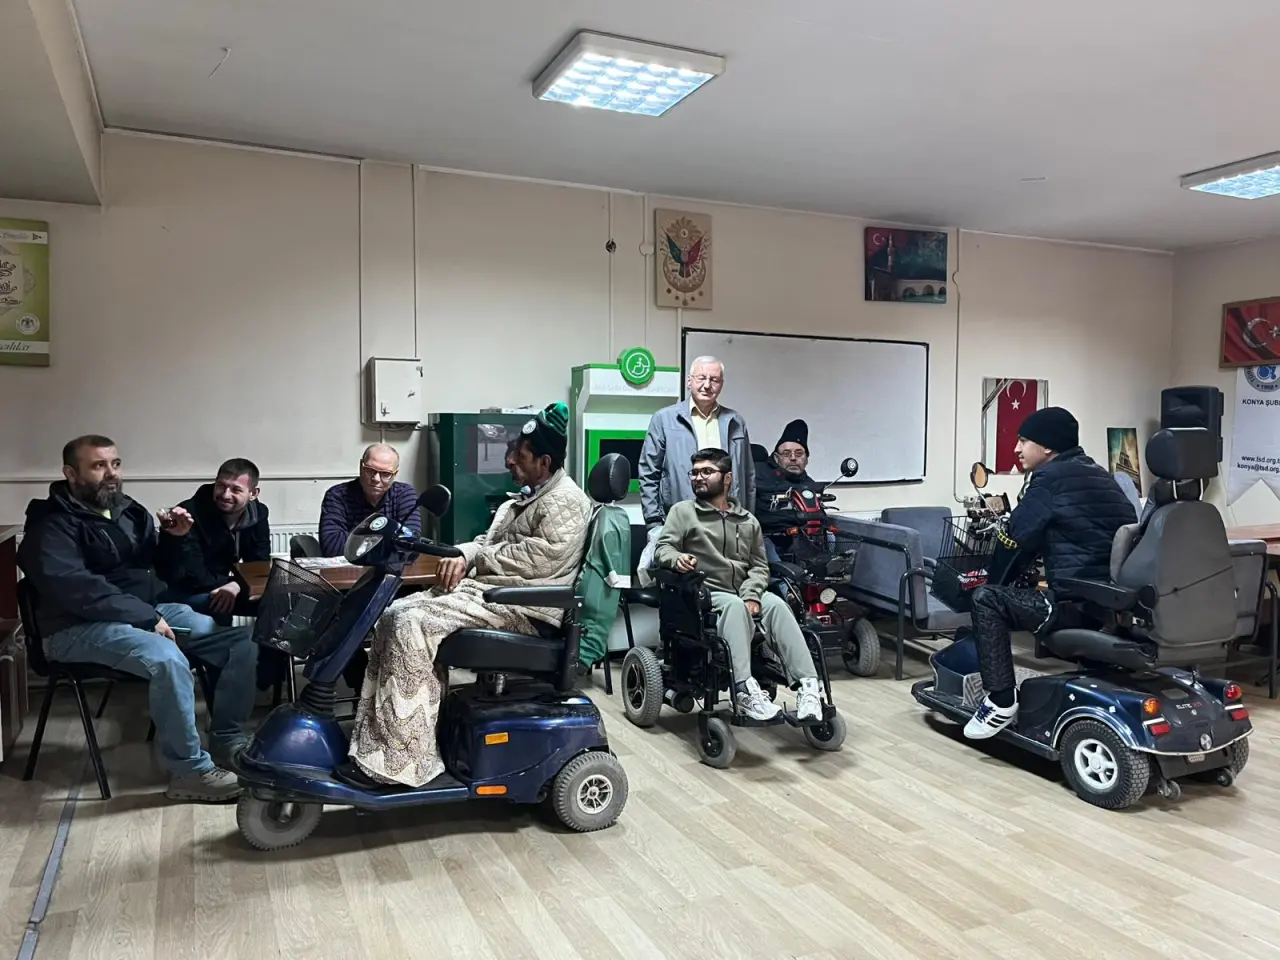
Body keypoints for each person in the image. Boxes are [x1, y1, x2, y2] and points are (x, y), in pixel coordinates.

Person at [341, 403, 591, 788]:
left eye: (520, 455)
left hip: (525, 609)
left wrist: (474, 557)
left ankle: (400, 762)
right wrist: (461, 551)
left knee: (411, 623)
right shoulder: (526, 498)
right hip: (495, 595)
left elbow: (538, 559)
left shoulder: (566, 501)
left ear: (544, 462)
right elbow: (486, 542)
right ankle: (384, 747)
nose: (509, 460)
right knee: (392, 613)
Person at [17, 435, 258, 802]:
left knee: (241, 641)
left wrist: (174, 539)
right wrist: (146, 617)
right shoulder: (49, 525)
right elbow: (76, 588)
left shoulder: (128, 512)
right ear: (71, 473)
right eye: (98, 466)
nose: (111, 473)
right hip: (72, 627)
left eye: (115, 464)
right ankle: (190, 773)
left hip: (141, 614)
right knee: (166, 658)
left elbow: (159, 571)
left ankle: (227, 740)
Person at [964, 407, 1138, 739]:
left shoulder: (1050, 480)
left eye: (1023, 441)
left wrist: (991, 581)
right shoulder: (1101, 475)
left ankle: (1000, 702)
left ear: (1047, 447)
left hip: (1077, 607)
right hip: (1114, 604)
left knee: (987, 599)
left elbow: (1015, 537)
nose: (1016, 449)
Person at [655, 448, 822, 723]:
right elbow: (663, 548)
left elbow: (759, 566)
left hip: (743, 591)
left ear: (727, 478)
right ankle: (744, 690)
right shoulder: (683, 513)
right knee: (734, 606)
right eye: (694, 473)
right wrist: (676, 559)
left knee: (777, 606)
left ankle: (809, 687)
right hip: (704, 593)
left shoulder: (747, 521)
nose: (698, 477)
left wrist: (752, 595)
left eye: (707, 472)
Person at [637, 356, 755, 578]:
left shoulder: (735, 421)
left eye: (714, 379)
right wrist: (654, 523)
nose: (707, 385)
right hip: (684, 521)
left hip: (728, 521)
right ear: (689, 381)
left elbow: (747, 475)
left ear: (721, 384)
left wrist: (748, 520)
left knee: (728, 580)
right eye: (701, 378)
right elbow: (648, 473)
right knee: (688, 584)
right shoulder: (665, 419)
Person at [156, 458, 270, 622]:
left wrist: (237, 585)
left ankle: (264, 640)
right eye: (221, 486)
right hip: (184, 590)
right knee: (221, 602)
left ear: (253, 494)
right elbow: (194, 575)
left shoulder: (258, 514)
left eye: (236, 490)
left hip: (219, 584)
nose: (225, 495)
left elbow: (258, 564)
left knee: (276, 601)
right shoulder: (189, 514)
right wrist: (234, 584)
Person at [319, 443, 419, 557]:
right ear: (361, 467)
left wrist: (356, 540)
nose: (376, 479)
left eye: (386, 474)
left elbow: (411, 544)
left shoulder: (404, 494)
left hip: (390, 567)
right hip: (348, 568)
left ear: (394, 474)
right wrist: (389, 538)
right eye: (370, 470)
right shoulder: (337, 495)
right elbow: (332, 547)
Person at [753, 419, 823, 559]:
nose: (793, 458)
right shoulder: (757, 474)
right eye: (786, 453)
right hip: (766, 538)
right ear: (776, 457)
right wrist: (798, 518)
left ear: (806, 459)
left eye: (799, 454)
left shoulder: (810, 484)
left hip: (801, 539)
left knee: (831, 538)